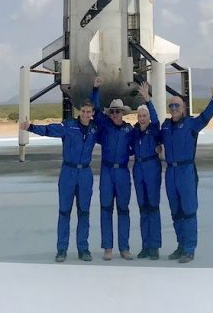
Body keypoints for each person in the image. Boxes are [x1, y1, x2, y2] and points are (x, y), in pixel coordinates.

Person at [19, 99, 97, 262]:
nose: (85, 114)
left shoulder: (94, 130)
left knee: (84, 212)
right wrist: (31, 127)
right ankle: (62, 249)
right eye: (83, 111)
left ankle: (83, 249)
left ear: (92, 113)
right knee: (64, 211)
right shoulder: (69, 127)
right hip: (68, 172)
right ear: (79, 111)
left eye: (88, 112)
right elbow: (49, 129)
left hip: (85, 173)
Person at [160, 81, 213, 264]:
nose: (173, 109)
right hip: (170, 172)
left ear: (183, 108)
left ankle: (189, 249)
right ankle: (181, 246)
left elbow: (206, 117)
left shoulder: (191, 124)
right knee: (176, 212)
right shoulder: (165, 126)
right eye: (171, 106)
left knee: (188, 211)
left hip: (186, 171)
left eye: (177, 106)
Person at [90, 76, 134, 260]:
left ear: (123, 113)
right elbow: (95, 108)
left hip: (122, 172)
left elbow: (139, 144)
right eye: (113, 111)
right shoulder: (105, 126)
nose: (115, 114)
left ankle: (124, 248)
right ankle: (108, 248)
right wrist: (95, 89)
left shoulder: (130, 130)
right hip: (107, 172)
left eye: (118, 111)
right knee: (106, 209)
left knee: (123, 210)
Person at [131, 81, 162, 259]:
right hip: (138, 169)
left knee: (153, 207)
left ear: (148, 117)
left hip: (151, 168)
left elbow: (156, 119)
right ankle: (145, 245)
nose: (142, 118)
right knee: (143, 208)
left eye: (144, 116)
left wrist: (148, 100)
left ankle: (154, 246)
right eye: (140, 116)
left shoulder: (154, 129)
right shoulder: (134, 132)